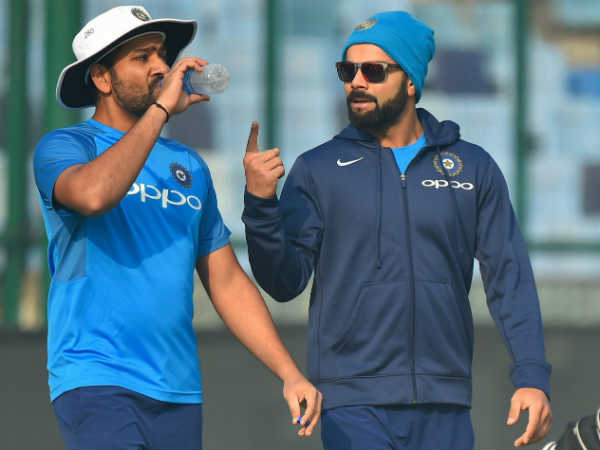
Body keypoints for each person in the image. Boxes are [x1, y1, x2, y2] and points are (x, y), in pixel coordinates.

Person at [242, 10, 551, 450]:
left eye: (373, 70)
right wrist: (259, 204)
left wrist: (532, 376)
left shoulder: (473, 167)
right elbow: (283, 282)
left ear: (410, 81)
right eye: (347, 70)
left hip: (445, 399)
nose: (356, 82)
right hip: (352, 403)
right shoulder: (317, 169)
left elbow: (509, 277)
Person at [33, 6, 321, 450]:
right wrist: (162, 109)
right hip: (97, 378)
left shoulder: (187, 165)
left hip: (177, 390)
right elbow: (93, 195)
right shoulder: (67, 146)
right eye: (142, 57)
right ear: (102, 78)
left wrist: (289, 372)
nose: (161, 67)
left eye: (161, 56)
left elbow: (226, 281)